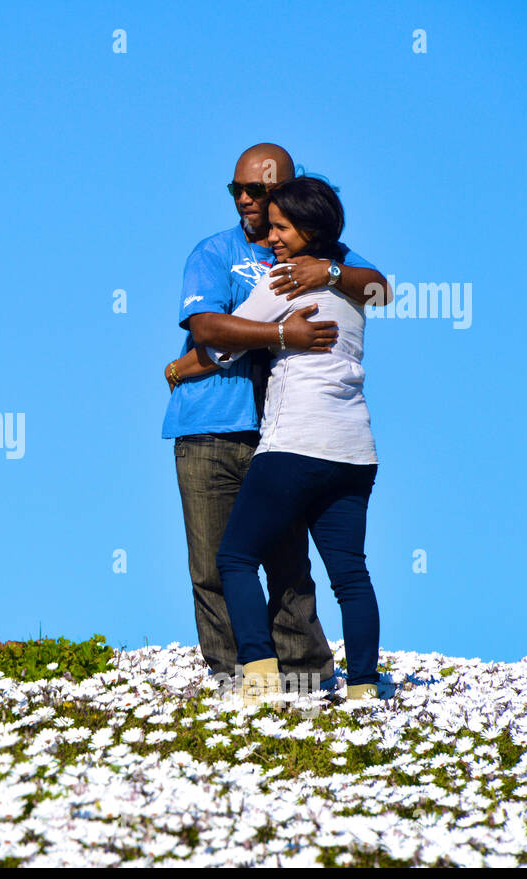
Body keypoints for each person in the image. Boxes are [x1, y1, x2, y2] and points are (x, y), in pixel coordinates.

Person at [164, 143, 388, 695]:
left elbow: (380, 289)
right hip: (214, 425)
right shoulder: (216, 251)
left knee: (288, 566)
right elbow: (207, 329)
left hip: (283, 435)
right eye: (236, 189)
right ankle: (232, 674)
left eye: (259, 191)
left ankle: (300, 675)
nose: (245, 199)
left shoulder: (314, 258)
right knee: (215, 566)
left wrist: (331, 271)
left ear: (287, 194)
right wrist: (281, 336)